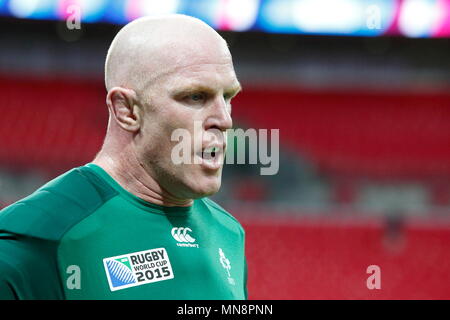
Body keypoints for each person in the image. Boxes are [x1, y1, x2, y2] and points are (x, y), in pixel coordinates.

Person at [0, 14, 246, 300]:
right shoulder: (37, 240)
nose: (225, 120)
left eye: (228, 96)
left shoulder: (228, 233)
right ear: (127, 111)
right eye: (195, 97)